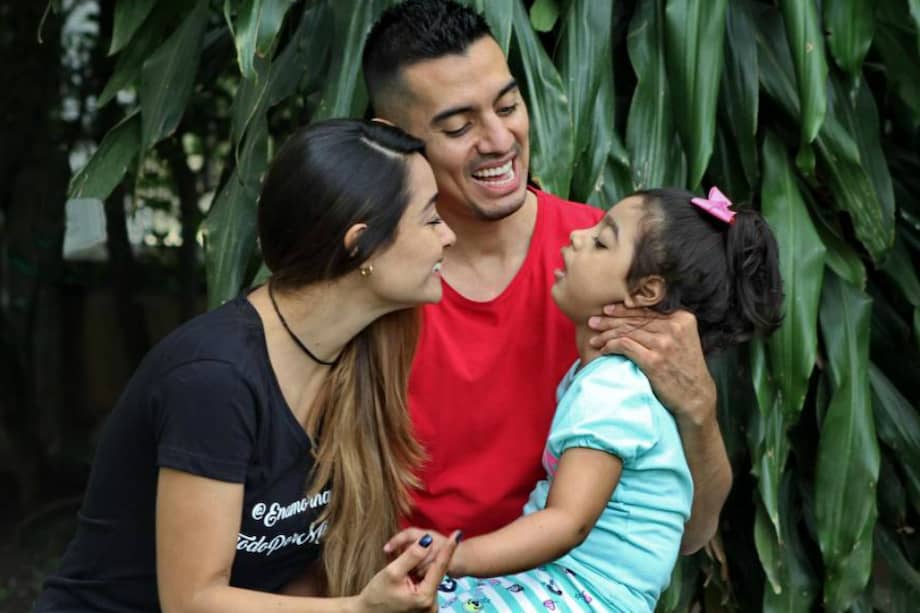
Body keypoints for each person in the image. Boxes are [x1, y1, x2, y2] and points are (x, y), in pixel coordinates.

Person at [34, 119, 459, 612]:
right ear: (360, 243)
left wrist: (386, 578)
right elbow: (192, 602)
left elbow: (290, 571)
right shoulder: (214, 379)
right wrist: (358, 609)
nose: (448, 236)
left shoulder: (355, 356)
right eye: (430, 219)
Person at [361, 0, 732, 551]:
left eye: (508, 105)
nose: (498, 140)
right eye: (460, 126)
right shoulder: (367, 276)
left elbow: (688, 533)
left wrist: (698, 409)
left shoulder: (614, 268)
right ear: (392, 139)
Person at [388, 187, 784, 612]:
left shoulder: (612, 388)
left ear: (647, 291)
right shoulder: (623, 380)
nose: (578, 236)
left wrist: (456, 556)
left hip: (578, 593)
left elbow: (568, 521)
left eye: (600, 241)